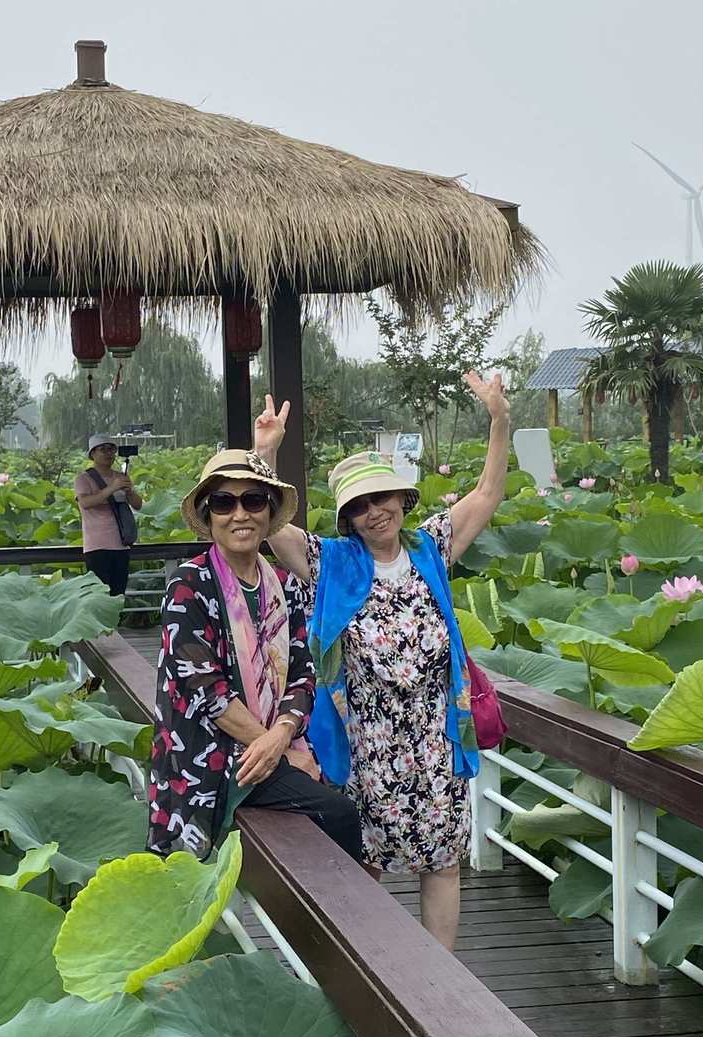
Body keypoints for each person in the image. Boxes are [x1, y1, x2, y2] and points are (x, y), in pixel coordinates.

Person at [252, 372, 510, 949]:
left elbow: (488, 494)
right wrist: (264, 454)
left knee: (442, 863)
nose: (376, 512)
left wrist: (499, 420)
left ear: (403, 499)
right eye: (361, 505)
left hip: (438, 738)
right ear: (348, 516)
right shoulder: (331, 560)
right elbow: (268, 527)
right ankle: (370, 978)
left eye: (383, 498)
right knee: (363, 862)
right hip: (366, 742)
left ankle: (440, 987)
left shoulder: (431, 547)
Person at [147, 448, 364, 865]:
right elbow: (207, 692)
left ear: (268, 513)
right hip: (211, 759)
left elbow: (303, 675)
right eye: (224, 503)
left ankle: (320, 921)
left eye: (254, 501)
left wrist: (282, 736)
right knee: (337, 813)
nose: (240, 514)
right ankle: (338, 922)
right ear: (209, 516)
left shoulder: (283, 584)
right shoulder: (189, 586)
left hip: (271, 744)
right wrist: (279, 751)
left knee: (339, 800)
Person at [74, 434, 143, 597]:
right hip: (97, 547)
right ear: (92, 454)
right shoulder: (83, 479)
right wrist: (112, 488)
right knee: (99, 597)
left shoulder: (121, 477)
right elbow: (86, 503)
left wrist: (129, 491)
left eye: (112, 449)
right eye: (103, 449)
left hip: (121, 544)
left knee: (118, 594)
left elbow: (138, 504)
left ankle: (116, 624)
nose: (108, 453)